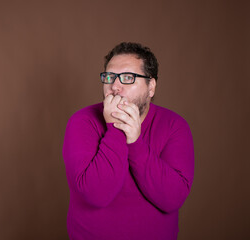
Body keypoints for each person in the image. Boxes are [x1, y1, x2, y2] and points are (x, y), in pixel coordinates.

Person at [62, 42, 194, 240]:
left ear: (151, 87)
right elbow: (97, 194)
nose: (115, 86)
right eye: (109, 77)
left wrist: (135, 143)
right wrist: (115, 129)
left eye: (127, 78)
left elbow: (172, 198)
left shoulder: (175, 126)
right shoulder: (81, 122)